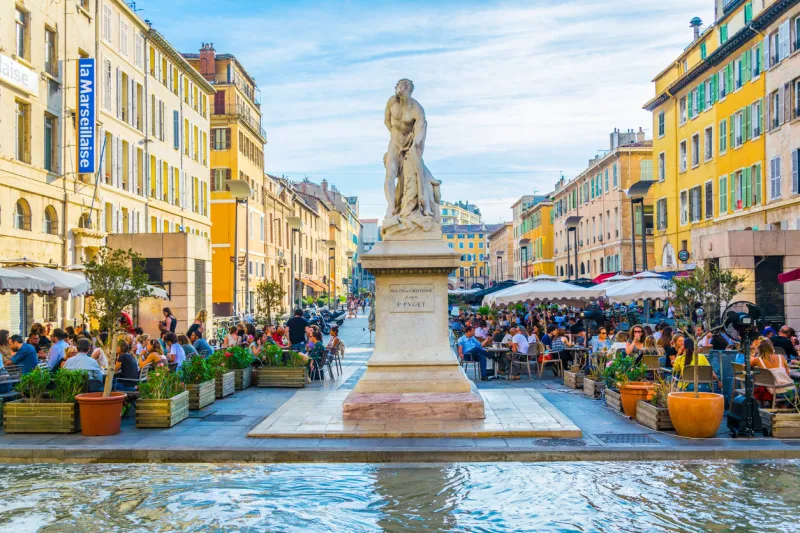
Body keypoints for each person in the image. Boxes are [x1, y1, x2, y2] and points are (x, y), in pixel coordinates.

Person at [751, 340, 795, 404]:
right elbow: (787, 373)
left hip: (770, 392)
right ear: (772, 348)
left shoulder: (757, 360)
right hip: (788, 391)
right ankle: (785, 406)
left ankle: (778, 406)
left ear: (759, 349)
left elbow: (746, 367)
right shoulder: (781, 357)